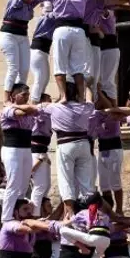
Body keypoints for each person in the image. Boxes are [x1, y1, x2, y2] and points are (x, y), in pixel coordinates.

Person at [24, 0, 94, 100]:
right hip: (40, 50)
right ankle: (79, 96)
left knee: (50, 74)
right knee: (42, 78)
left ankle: (62, 96)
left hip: (48, 45)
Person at [38, 83, 95, 215]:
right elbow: (90, 99)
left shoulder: (54, 107)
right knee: (87, 183)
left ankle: (69, 215)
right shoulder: (85, 107)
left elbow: (34, 106)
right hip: (84, 144)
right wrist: (87, 86)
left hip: (66, 144)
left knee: (66, 180)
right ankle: (91, 215)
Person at [0, 84, 40, 224]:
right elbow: (22, 113)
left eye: (27, 95)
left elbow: (34, 110)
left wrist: (30, 107)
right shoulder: (7, 109)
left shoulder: (23, 108)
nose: (27, 97)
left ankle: (18, 213)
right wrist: (14, 105)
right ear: (13, 95)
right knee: (14, 182)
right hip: (12, 149)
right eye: (23, 94)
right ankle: (6, 217)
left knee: (24, 184)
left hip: (26, 148)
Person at [0, 0, 39, 103]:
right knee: (13, 67)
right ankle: (6, 98)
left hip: (22, 36)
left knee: (25, 69)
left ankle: (19, 96)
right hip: (8, 35)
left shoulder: (30, 4)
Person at [29, 93, 53, 217]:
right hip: (36, 150)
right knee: (40, 186)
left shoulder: (48, 114)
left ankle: (41, 213)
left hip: (42, 150)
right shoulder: (38, 112)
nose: (51, 102)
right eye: (49, 99)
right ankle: (35, 215)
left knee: (46, 186)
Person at [30, 3, 58, 104]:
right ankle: (34, 103)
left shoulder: (47, 17)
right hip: (37, 51)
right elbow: (57, 14)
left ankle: (39, 102)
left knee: (45, 79)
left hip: (42, 52)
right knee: (40, 78)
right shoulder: (46, 17)